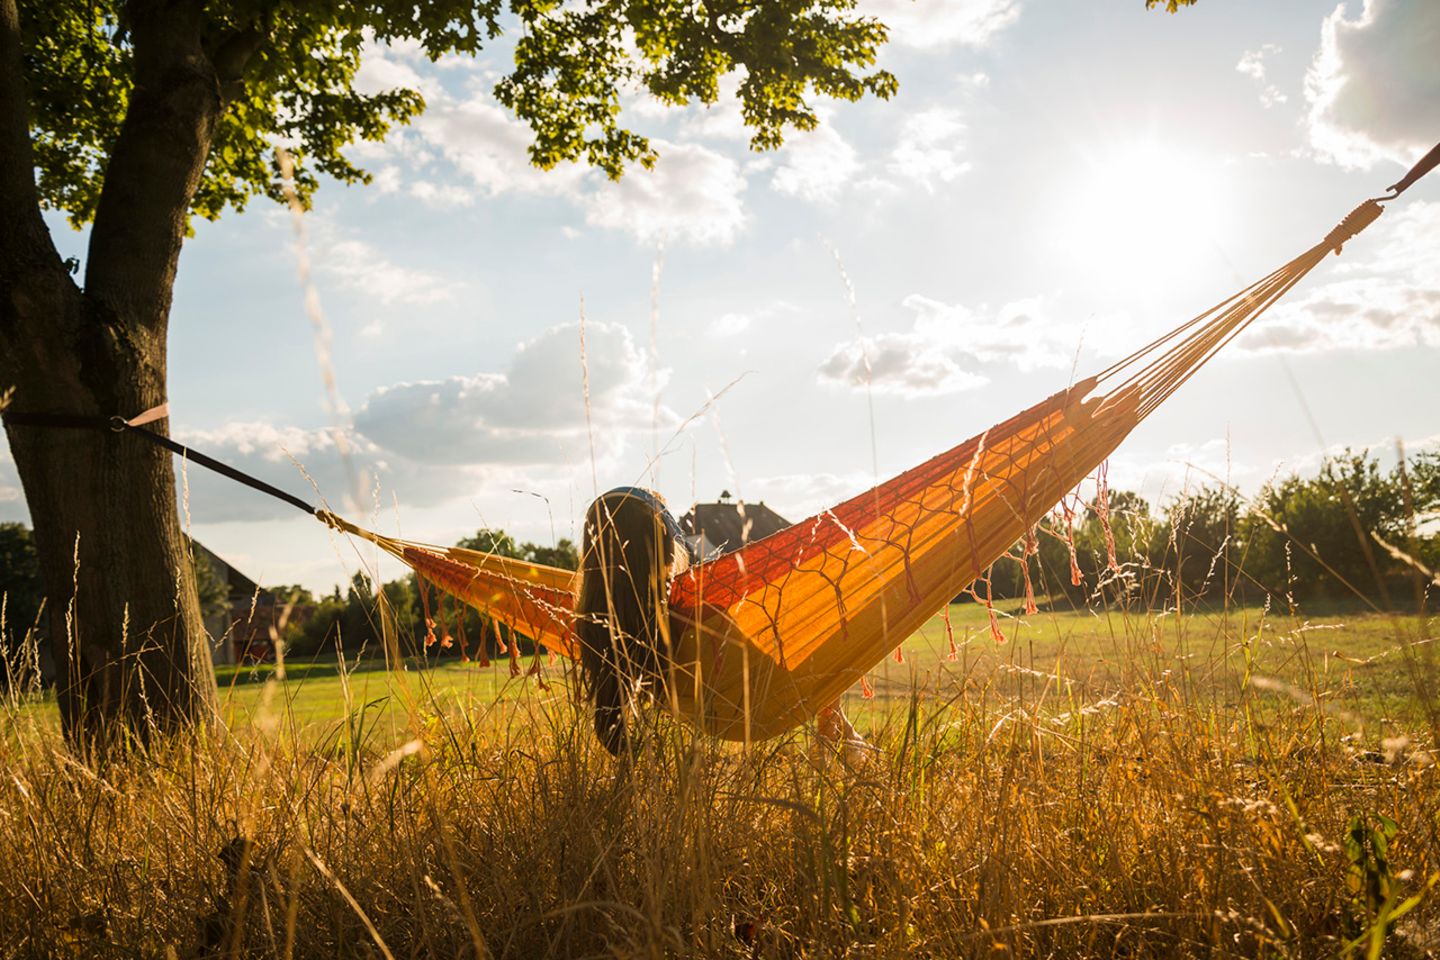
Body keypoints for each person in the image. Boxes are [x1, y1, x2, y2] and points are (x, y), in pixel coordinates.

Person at [574, 486, 869, 759]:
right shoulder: (698, 612)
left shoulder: (592, 625)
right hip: (760, 702)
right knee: (824, 623)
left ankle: (840, 729)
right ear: (667, 547)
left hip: (715, 707)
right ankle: (837, 730)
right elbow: (775, 670)